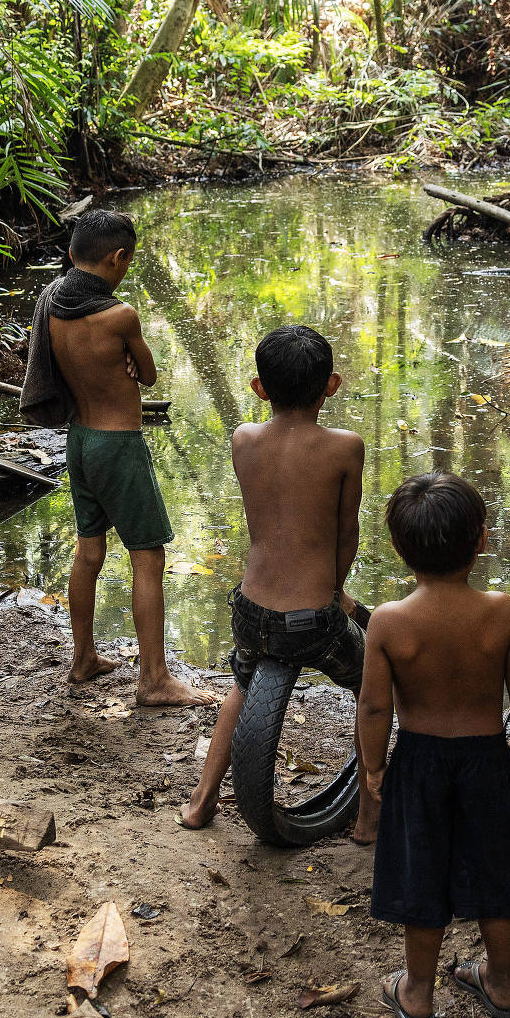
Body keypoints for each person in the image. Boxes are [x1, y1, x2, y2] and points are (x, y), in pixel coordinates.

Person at [358, 472, 510, 1018]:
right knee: (496, 875)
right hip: (485, 760)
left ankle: (416, 992)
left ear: (398, 547)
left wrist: (373, 766)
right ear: (481, 539)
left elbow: (373, 708)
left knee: (422, 874)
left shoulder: (390, 622)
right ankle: (502, 984)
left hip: (418, 764)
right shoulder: (502, 611)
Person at [18, 208, 214, 706]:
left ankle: (82, 657)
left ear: (70, 254)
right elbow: (147, 376)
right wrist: (131, 352)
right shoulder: (121, 315)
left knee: (90, 550)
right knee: (148, 557)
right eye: (128, 262)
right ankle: (154, 679)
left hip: (79, 440)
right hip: (118, 444)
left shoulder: (53, 304)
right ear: (119, 257)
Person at [179, 324, 369, 834]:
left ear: (259, 389)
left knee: (240, 687)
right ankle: (369, 812)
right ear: (332, 384)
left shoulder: (243, 438)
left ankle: (201, 801)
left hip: (250, 610)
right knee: (371, 683)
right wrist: (336, 591)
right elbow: (344, 535)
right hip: (313, 621)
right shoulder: (346, 448)